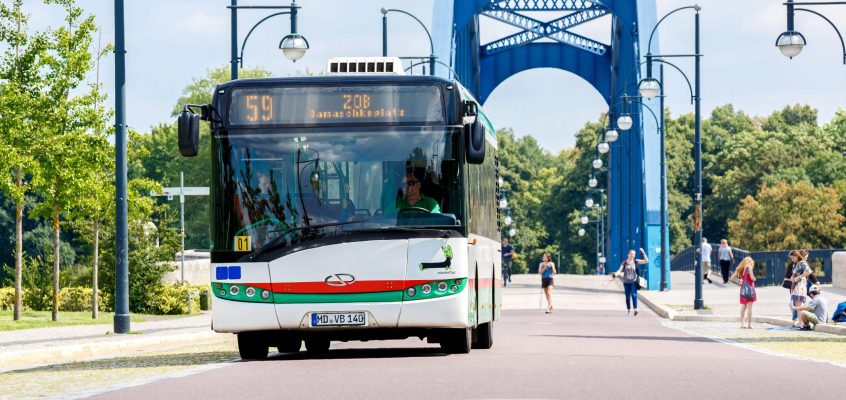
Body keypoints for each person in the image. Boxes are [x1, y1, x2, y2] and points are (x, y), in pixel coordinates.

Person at [612, 248, 648, 316]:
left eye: (634, 254)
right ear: (628, 255)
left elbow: (646, 261)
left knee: (634, 295)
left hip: (634, 281)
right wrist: (615, 274)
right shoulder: (624, 262)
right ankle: (628, 310)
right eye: (631, 254)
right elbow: (619, 270)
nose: (632, 255)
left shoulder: (636, 261)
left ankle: (635, 309)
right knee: (628, 297)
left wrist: (643, 252)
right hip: (626, 282)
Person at [730, 257, 756, 329]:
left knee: (743, 306)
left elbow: (732, 278)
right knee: (749, 308)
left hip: (743, 289)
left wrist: (740, 281)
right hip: (750, 289)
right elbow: (752, 278)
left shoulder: (740, 269)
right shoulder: (749, 267)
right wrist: (754, 278)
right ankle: (749, 324)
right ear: (750, 262)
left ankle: (742, 323)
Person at [788, 249, 811, 322]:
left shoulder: (802, 263)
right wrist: (792, 277)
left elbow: (809, 271)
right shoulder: (796, 264)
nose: (792, 259)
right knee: (798, 306)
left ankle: (801, 323)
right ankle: (800, 322)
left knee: (799, 306)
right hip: (796, 286)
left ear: (797, 256)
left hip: (800, 286)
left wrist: (799, 277)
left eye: (793, 258)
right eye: (791, 258)